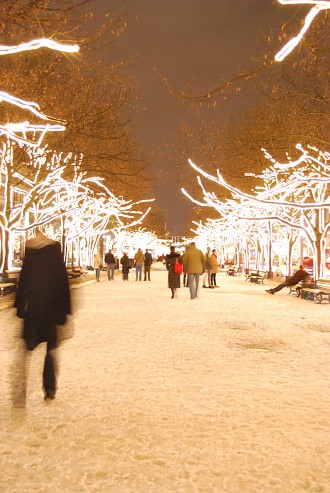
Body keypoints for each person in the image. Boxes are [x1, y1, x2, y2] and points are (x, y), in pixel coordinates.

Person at [14, 231, 71, 402]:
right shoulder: (54, 251)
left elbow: (24, 280)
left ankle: (21, 390)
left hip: (34, 309)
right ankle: (49, 388)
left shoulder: (31, 251)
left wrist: (19, 306)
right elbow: (62, 281)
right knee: (50, 351)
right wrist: (65, 311)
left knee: (26, 350)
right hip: (51, 310)